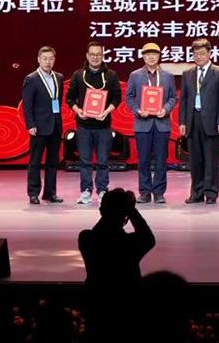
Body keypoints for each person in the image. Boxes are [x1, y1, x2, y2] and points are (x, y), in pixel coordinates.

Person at [78, 188, 156, 339]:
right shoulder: (129, 244)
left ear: (102, 211)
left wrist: (112, 212)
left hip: (97, 304)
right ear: (125, 215)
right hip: (127, 305)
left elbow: (100, 230)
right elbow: (148, 237)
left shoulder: (86, 238)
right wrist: (131, 211)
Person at [65, 41, 122, 205]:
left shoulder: (111, 75)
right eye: (92, 54)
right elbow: (70, 98)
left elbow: (117, 98)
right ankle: (86, 191)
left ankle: (103, 191)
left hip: (104, 126)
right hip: (83, 126)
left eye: (98, 54)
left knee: (103, 161)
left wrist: (106, 111)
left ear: (102, 56)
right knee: (85, 161)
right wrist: (78, 110)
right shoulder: (78, 75)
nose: (95, 57)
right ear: (87, 56)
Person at [178, 38, 219, 204]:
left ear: (209, 53)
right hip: (193, 120)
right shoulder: (188, 74)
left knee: (210, 159)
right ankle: (197, 192)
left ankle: (211, 192)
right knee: (195, 160)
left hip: (212, 121)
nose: (199, 57)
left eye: (202, 53)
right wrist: (182, 122)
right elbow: (184, 100)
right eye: (195, 54)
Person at [125, 42, 177, 204]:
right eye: (148, 54)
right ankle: (145, 192)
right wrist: (138, 110)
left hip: (162, 124)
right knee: (143, 160)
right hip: (142, 124)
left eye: (154, 54)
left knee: (161, 160)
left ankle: (159, 192)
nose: (151, 57)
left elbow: (173, 97)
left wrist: (166, 109)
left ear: (159, 56)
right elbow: (129, 97)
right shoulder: (135, 75)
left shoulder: (168, 76)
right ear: (143, 56)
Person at [21, 46, 65, 205]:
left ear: (54, 60)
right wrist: (30, 124)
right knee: (35, 161)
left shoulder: (59, 77)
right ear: (38, 60)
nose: (48, 62)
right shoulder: (31, 79)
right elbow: (27, 105)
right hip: (38, 127)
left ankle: (50, 193)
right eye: (45, 58)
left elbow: (58, 101)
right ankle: (33, 193)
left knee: (53, 162)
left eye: (51, 58)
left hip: (55, 126)